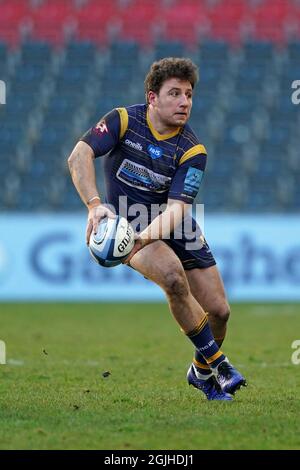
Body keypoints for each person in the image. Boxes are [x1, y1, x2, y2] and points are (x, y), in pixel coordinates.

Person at [68, 57, 246, 401]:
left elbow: (178, 209)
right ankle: (220, 365)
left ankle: (200, 372)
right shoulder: (122, 121)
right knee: (173, 279)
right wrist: (94, 205)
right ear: (152, 98)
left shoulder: (192, 150)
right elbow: (79, 155)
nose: (184, 102)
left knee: (220, 311)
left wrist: (144, 238)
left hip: (173, 222)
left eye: (189, 95)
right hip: (127, 219)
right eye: (175, 93)